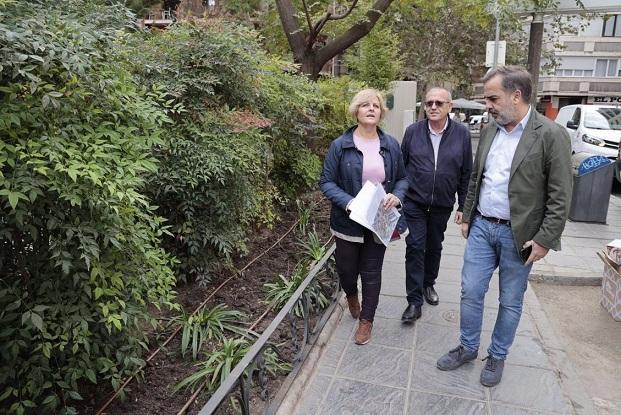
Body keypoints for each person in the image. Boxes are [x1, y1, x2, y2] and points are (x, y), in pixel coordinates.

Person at [436, 66, 572, 387]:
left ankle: (497, 355)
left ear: (516, 95)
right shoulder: (489, 131)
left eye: (493, 98)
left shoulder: (551, 135)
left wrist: (544, 240)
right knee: (471, 290)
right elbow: (476, 177)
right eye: (487, 99)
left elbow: (560, 194)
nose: (488, 105)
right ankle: (468, 347)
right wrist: (467, 214)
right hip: (483, 226)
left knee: (510, 299)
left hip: (520, 235)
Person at [319, 88, 407, 345]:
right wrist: (349, 202)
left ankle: (366, 320)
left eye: (376, 106)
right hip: (348, 221)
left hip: (378, 220)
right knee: (347, 270)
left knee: (372, 272)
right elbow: (326, 182)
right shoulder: (340, 145)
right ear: (356, 111)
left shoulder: (390, 144)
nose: (371, 109)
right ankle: (351, 295)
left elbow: (402, 178)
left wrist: (397, 196)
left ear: (381, 113)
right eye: (365, 105)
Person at [400, 87, 472, 323]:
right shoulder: (412, 132)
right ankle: (414, 300)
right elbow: (402, 168)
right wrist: (399, 197)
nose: (433, 107)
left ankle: (428, 283)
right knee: (415, 246)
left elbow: (466, 173)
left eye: (439, 103)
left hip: (442, 204)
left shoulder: (462, 134)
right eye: (429, 103)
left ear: (449, 107)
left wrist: (463, 205)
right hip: (415, 202)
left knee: (434, 246)